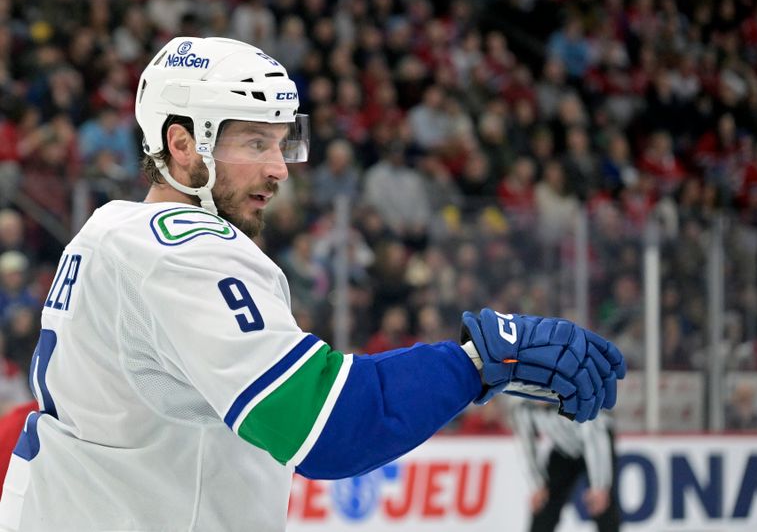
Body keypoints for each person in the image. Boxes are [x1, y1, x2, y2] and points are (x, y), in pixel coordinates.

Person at [0, 37, 626, 532]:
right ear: (181, 144)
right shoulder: (184, 249)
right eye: (253, 142)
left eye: (281, 142)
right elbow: (325, 426)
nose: (278, 168)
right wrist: (481, 358)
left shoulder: (110, 230)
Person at [512, 403, 620, 532]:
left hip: (598, 446)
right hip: (564, 448)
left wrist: (600, 485)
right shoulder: (523, 406)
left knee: (602, 504)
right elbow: (526, 445)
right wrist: (536, 485)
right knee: (544, 503)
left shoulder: (572, 395)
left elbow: (594, 438)